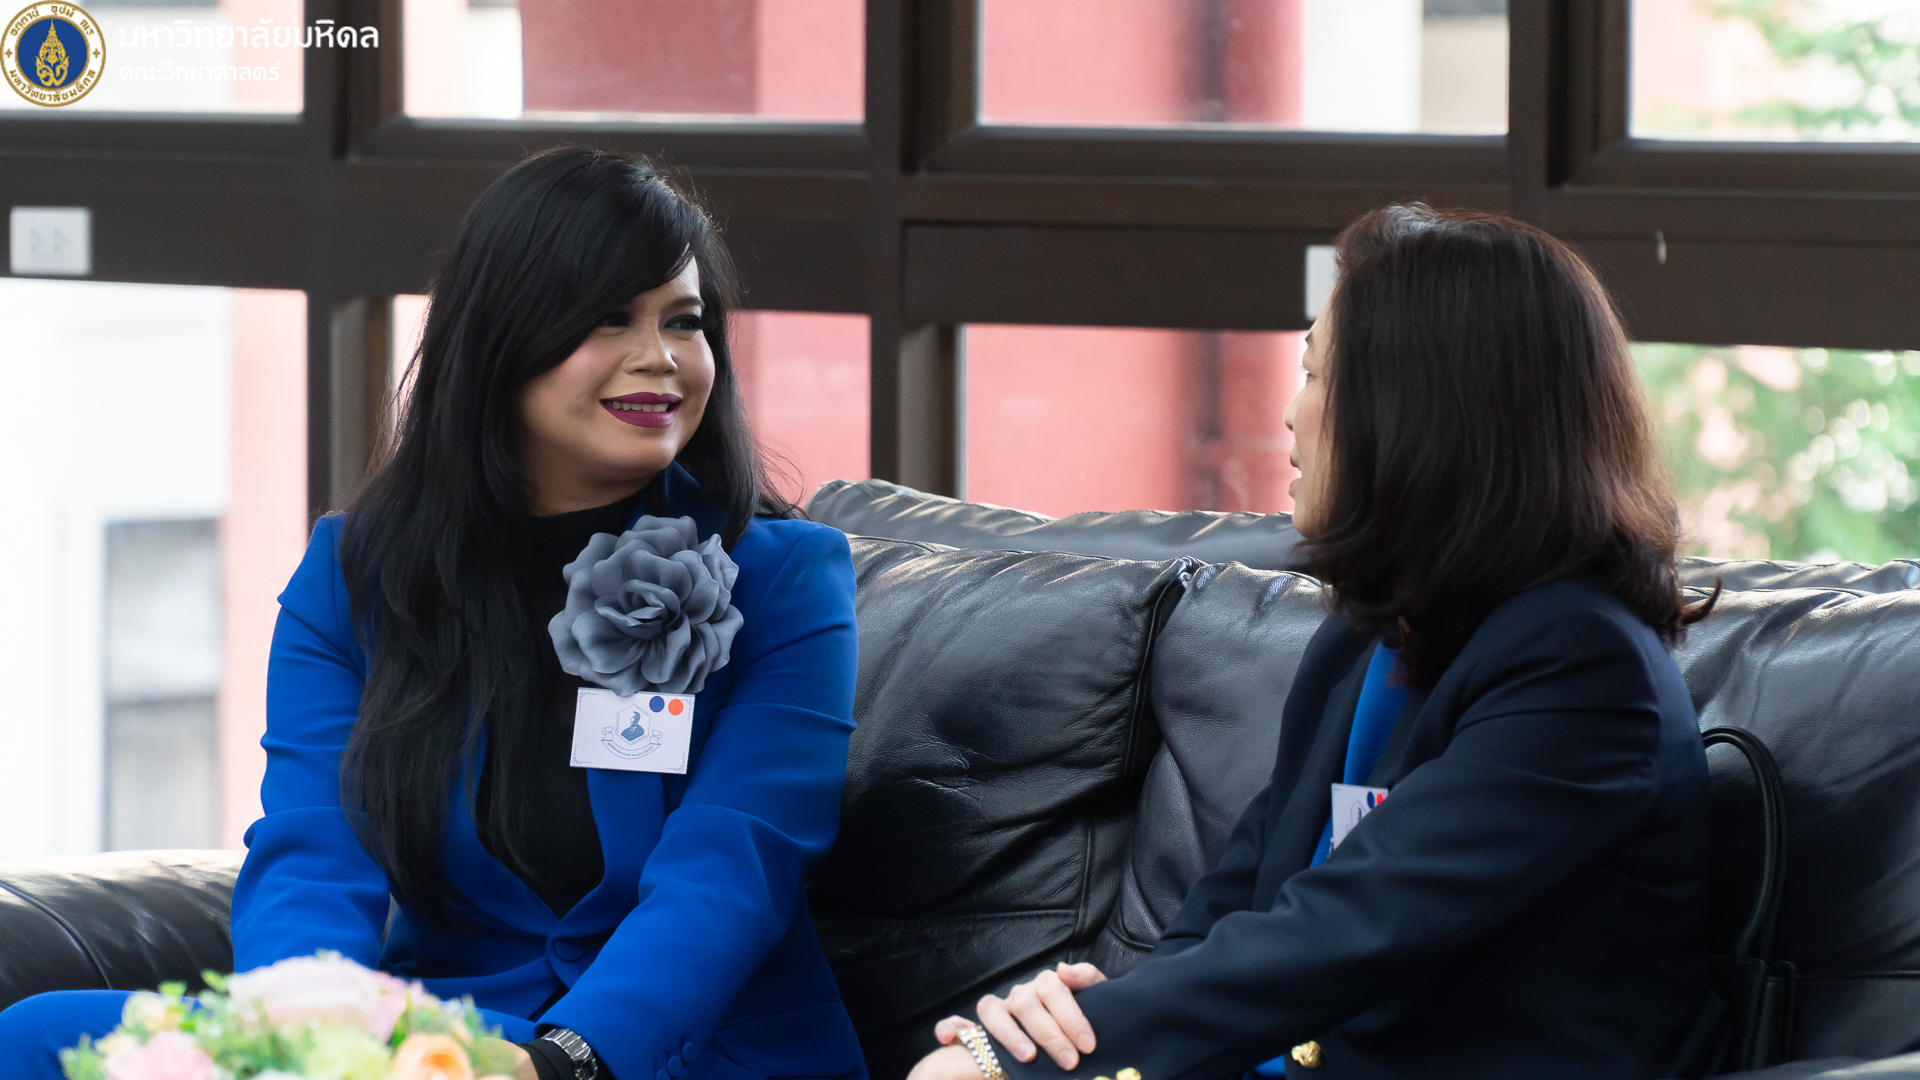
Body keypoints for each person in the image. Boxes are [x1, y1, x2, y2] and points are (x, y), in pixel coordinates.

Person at [0, 148, 868, 1080]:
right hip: (438, 1042)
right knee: (40, 1036)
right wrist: (298, 1044)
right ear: (504, 336)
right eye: (610, 317)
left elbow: (732, 869)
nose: (659, 357)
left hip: (679, 1052)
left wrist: (563, 1060)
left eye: (683, 321)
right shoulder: (356, 576)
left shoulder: (784, 580)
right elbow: (314, 853)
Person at [910, 205, 1719, 1080]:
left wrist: (1020, 1065)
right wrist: (1069, 1031)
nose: (1291, 415)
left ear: (1419, 410)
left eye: (1316, 375)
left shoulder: (1584, 671)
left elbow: (1349, 929)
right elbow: (1234, 909)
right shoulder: (1363, 638)